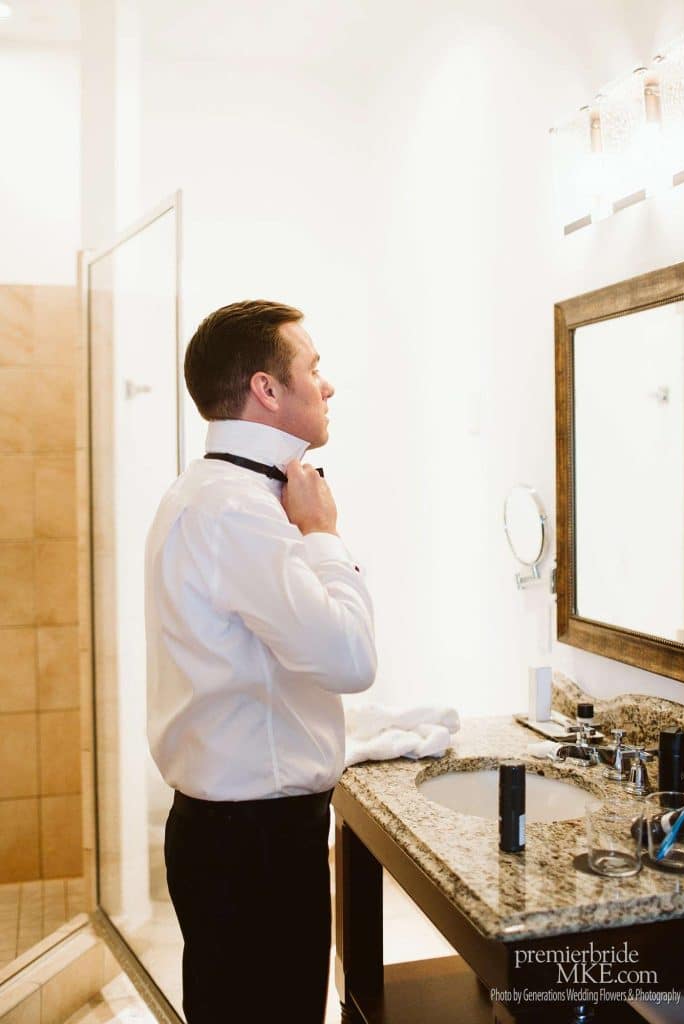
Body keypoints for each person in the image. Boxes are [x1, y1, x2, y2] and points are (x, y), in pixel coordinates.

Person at [144, 300, 377, 1023]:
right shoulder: (236, 510)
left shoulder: (210, 493)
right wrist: (323, 534)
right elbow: (349, 659)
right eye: (313, 368)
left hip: (236, 837)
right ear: (266, 389)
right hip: (255, 849)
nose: (328, 385)